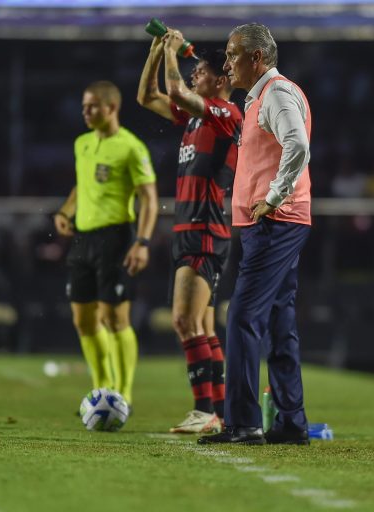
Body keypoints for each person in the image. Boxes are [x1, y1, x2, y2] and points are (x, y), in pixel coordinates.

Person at [199, 23, 312, 445]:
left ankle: (243, 422)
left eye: (232, 55)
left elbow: (298, 145)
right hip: (276, 221)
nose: (226, 63)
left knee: (243, 316)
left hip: (275, 222)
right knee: (279, 322)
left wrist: (274, 196)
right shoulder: (263, 97)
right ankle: (291, 422)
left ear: (257, 59)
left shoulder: (276, 93)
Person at [137, 28, 242, 434]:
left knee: (184, 321)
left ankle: (205, 410)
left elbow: (178, 91)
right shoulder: (198, 118)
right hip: (191, 227)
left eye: (200, 71)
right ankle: (216, 411)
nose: (194, 74)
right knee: (202, 326)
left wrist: (174, 54)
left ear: (219, 80)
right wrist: (157, 50)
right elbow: (147, 97)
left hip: (205, 228)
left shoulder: (225, 114)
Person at [54, 81, 158, 406]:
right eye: (84, 106)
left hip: (115, 238)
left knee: (115, 319)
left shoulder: (131, 147)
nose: (85, 112)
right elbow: (81, 185)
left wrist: (141, 242)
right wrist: (65, 211)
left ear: (111, 108)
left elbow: (150, 200)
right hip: (83, 239)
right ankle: (102, 389)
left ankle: (122, 394)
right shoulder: (82, 143)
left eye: (92, 106)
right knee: (83, 320)